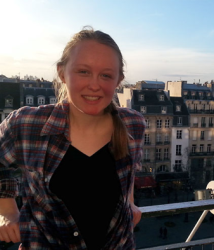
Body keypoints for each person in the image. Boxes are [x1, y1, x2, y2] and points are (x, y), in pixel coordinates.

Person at [0, 26, 145, 249]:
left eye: (106, 75)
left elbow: (128, 172)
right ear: (61, 73)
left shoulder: (133, 124)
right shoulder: (27, 123)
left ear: (118, 81)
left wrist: (129, 203)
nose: (95, 85)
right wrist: (7, 212)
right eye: (83, 71)